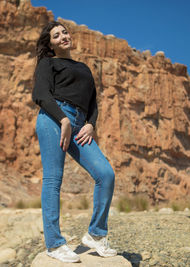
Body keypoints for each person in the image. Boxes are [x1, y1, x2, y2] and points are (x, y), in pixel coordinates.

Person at [32, 21, 117, 263]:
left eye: (64, 32)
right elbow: (40, 94)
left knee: (106, 174)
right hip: (53, 118)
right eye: (56, 36)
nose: (62, 37)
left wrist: (91, 124)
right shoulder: (48, 63)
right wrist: (62, 120)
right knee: (52, 179)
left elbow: (93, 103)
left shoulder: (83, 68)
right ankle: (55, 244)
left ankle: (96, 234)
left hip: (81, 125)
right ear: (51, 44)